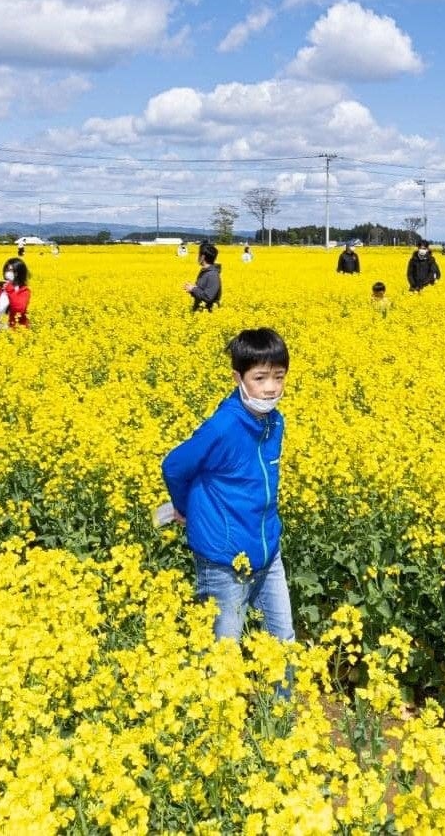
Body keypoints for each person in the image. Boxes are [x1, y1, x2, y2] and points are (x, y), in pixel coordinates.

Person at [158, 329, 294, 646]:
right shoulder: (223, 427)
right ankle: (213, 697)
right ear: (238, 378)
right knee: (223, 650)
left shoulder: (275, 422)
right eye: (260, 378)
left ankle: (282, 697)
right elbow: (174, 466)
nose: (271, 388)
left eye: (279, 377)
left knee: (283, 639)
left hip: (267, 549)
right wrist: (184, 508)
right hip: (224, 558)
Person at [185, 242, 222, 311]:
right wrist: (191, 290)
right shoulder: (205, 272)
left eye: (198, 254)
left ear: (202, 257)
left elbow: (208, 297)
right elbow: (201, 292)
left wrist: (193, 289)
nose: (197, 257)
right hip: (201, 312)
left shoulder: (212, 275)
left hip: (208, 314)